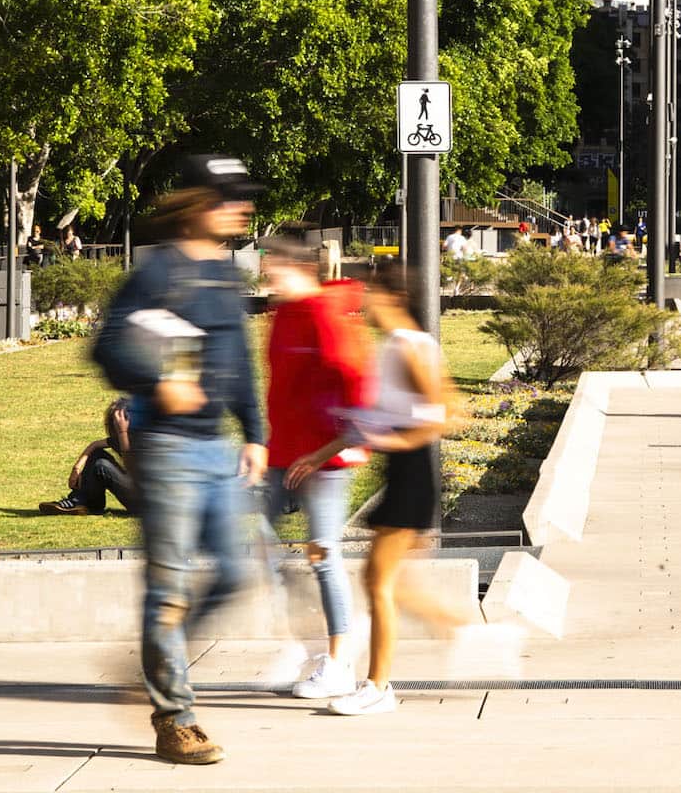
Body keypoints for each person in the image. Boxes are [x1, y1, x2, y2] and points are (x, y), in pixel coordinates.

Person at [92, 155, 267, 767]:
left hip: (216, 446)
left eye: (243, 197)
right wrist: (158, 382)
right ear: (196, 203)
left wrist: (255, 432)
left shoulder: (224, 271)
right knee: (167, 587)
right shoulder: (158, 270)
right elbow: (108, 345)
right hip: (165, 447)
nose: (240, 206)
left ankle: (154, 655)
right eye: (228, 197)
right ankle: (175, 718)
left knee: (233, 573)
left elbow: (239, 359)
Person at [289, 264, 480, 717]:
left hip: (413, 472)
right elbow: (370, 421)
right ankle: (467, 637)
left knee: (379, 582)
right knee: (389, 584)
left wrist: (398, 439)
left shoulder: (412, 346)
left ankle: (378, 686)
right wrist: (321, 454)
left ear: (390, 297)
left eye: (370, 293)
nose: (362, 303)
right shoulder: (394, 346)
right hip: (400, 471)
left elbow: (450, 413)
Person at [258, 229, 372, 701]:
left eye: (273, 268)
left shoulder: (326, 316)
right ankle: (313, 644)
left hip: (325, 460)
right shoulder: (283, 315)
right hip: (282, 454)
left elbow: (362, 398)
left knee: (324, 555)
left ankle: (339, 662)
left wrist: (319, 454)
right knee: (269, 557)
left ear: (298, 268)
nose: (266, 276)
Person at [39, 397, 135, 515]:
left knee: (101, 465)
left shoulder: (143, 439)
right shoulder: (120, 439)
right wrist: (77, 467)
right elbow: (94, 445)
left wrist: (122, 433)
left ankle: (80, 501)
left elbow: (131, 464)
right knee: (97, 454)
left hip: (149, 503)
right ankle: (85, 502)